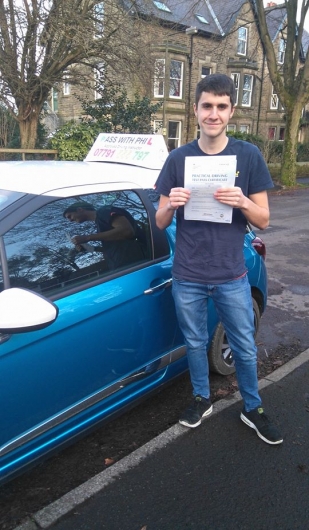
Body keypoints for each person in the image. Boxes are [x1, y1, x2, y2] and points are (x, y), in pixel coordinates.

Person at [155, 73, 283, 445]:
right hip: (188, 274)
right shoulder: (178, 158)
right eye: (207, 106)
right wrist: (172, 204)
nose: (214, 113)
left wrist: (242, 201)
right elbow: (161, 220)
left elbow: (264, 219)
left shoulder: (248, 155)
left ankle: (253, 407)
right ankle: (201, 398)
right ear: (195, 110)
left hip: (231, 273)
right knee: (195, 342)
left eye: (221, 106)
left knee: (243, 343)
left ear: (231, 111)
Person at [63, 201, 146, 270]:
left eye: (70, 216)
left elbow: (127, 231)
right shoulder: (99, 223)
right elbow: (115, 247)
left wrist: (87, 238)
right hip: (123, 268)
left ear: (80, 209)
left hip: (135, 265)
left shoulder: (104, 212)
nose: (70, 220)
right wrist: (91, 248)